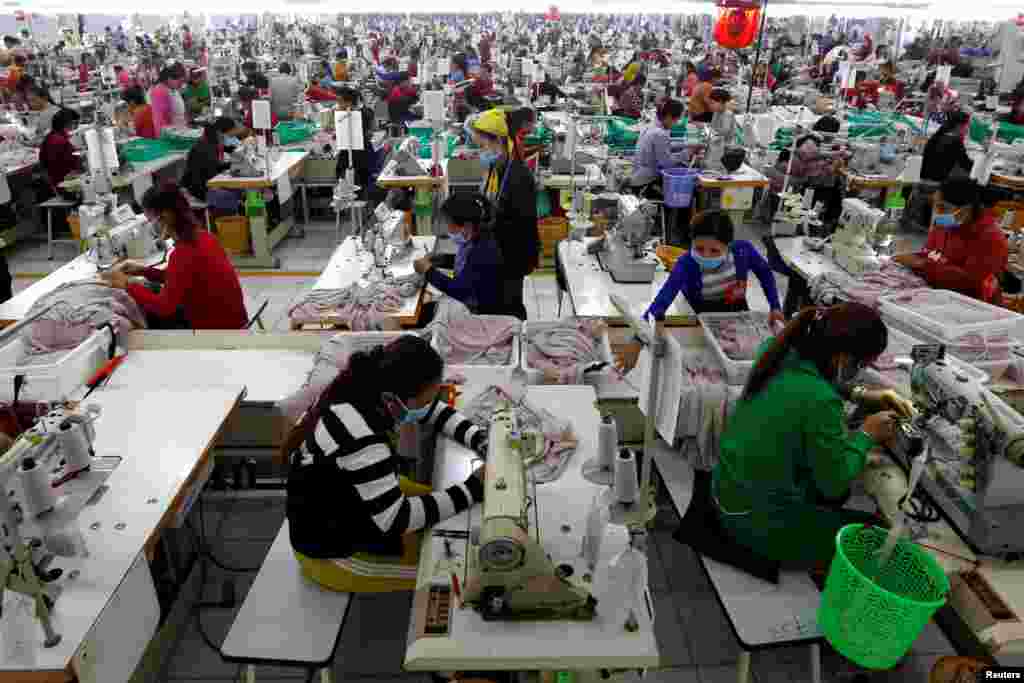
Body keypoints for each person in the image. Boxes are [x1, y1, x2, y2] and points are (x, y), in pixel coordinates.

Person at [713, 303, 913, 567]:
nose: (861, 371)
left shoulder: (776, 353)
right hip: (755, 524)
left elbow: (814, 381)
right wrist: (867, 434)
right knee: (882, 542)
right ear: (843, 359)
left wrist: (860, 394)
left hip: (727, 493)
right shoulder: (820, 400)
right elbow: (833, 484)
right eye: (862, 364)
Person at [284, 335, 487, 593]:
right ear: (396, 398)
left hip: (347, 501)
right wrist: (472, 488)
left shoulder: (368, 381)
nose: (429, 405)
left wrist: (479, 439)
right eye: (425, 399)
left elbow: (432, 409)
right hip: (331, 550)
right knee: (454, 572)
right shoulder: (360, 437)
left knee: (453, 518)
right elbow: (396, 519)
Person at [102, 183, 248, 330]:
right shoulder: (203, 236)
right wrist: (144, 271)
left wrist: (127, 285)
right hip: (234, 320)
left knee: (144, 316)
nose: (150, 226)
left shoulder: (183, 253)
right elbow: (185, 277)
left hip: (218, 332)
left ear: (165, 217)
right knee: (150, 292)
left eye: (150, 220)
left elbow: (164, 306)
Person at [646, 211, 784, 324]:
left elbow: (765, 273)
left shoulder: (743, 251)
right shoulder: (686, 263)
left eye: (714, 251)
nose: (706, 255)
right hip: (701, 314)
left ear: (728, 245)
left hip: (737, 310)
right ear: (691, 242)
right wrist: (645, 324)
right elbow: (666, 294)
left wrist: (775, 306)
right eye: (699, 248)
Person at [469, 108, 540, 320]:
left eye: (482, 146)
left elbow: (519, 226)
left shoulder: (518, 177)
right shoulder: (496, 168)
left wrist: (482, 227)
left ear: (499, 141)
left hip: (510, 256)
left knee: (509, 310)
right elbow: (489, 202)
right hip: (496, 253)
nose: (480, 151)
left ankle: (518, 341)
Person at [893, 177, 1008, 304]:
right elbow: (931, 254)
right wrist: (910, 258)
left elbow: (970, 283)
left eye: (942, 207)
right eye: (936, 206)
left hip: (972, 305)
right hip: (938, 293)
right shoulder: (944, 223)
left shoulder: (990, 238)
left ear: (966, 209)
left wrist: (922, 264)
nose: (937, 212)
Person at [413, 194, 503, 317]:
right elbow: (468, 267)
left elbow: (461, 290)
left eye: (449, 223)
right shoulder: (476, 237)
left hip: (477, 313)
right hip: (469, 300)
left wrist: (428, 271)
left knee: (422, 314)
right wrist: (442, 259)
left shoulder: (483, 250)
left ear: (466, 226)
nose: (448, 229)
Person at [630, 98, 686, 189]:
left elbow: (666, 145)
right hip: (645, 182)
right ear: (668, 117)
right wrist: (686, 154)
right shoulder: (660, 133)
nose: (675, 124)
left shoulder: (649, 126)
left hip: (637, 174)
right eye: (676, 120)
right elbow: (666, 162)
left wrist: (685, 144)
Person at [335, 87, 378, 201]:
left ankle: (355, 206)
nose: (337, 105)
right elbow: (374, 129)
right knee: (362, 183)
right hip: (364, 153)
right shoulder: (366, 112)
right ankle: (361, 207)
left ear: (348, 102)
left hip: (354, 154)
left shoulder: (346, 117)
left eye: (339, 101)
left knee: (352, 180)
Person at [182, 123, 231, 202]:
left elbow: (214, 167)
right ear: (215, 134)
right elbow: (212, 170)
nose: (223, 136)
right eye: (221, 133)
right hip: (201, 190)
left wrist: (230, 165)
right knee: (231, 196)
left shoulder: (204, 144)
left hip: (196, 187)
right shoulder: (207, 148)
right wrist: (230, 166)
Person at [40, 108, 82, 197]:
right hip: (66, 186)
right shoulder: (60, 141)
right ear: (70, 123)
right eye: (76, 124)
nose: (77, 127)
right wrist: (82, 154)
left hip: (57, 183)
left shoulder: (50, 137)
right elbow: (73, 162)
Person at [920, 111, 972, 182]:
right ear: (959, 126)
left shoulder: (939, 136)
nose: (968, 128)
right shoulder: (955, 142)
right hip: (935, 183)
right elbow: (967, 165)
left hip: (925, 178)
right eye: (967, 125)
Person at [149, 65, 186, 136]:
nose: (181, 84)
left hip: (179, 131)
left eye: (182, 81)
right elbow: (159, 120)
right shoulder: (159, 91)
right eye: (179, 81)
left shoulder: (173, 89)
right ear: (169, 79)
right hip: (170, 135)